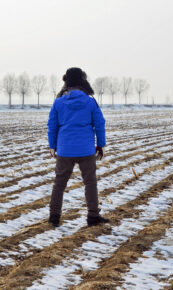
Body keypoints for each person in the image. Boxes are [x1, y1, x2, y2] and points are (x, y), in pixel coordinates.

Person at [47, 67, 109, 227]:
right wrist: (101, 145)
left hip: (65, 150)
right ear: (82, 81)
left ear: (66, 81)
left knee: (59, 184)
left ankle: (54, 217)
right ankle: (93, 216)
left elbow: (52, 126)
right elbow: (100, 124)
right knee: (90, 182)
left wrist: (52, 146)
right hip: (86, 150)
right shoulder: (90, 101)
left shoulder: (58, 102)